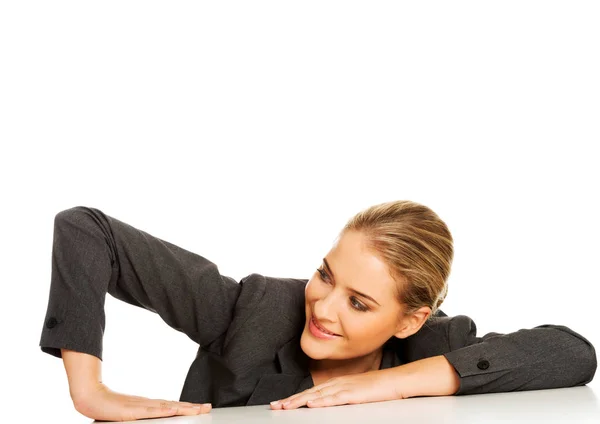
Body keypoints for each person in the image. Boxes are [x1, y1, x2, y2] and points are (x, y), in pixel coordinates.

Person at [39, 201, 597, 422]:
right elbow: (87, 231)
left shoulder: (434, 345)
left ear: (410, 321)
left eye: (358, 302)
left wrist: (397, 384)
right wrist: (89, 391)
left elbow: (572, 351)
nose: (323, 308)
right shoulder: (250, 311)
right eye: (326, 275)